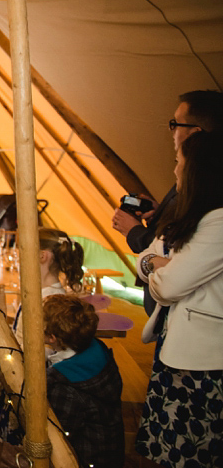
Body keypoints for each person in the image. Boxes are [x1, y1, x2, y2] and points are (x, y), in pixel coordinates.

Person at [135, 131, 223, 467]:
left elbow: (168, 288)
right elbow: (147, 261)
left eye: (179, 163)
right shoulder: (191, 220)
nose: (175, 171)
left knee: (190, 453)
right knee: (170, 450)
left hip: (202, 365)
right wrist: (157, 264)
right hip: (176, 355)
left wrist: (159, 267)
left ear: (200, 171)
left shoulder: (219, 223)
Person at [113, 90, 223, 314]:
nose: (171, 131)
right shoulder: (188, 186)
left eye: (176, 124)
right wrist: (159, 214)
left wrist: (134, 232)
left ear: (195, 134)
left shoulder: (214, 212)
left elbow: (170, 281)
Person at [0, 227, 85, 445]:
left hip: (34, 386)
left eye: (22, 251)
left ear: (42, 256)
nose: (18, 257)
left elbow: (40, 355)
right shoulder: (41, 293)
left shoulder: (49, 302)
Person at [42, 294, 124, 468]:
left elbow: (57, 435)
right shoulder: (97, 351)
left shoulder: (65, 386)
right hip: (111, 454)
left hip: (83, 459)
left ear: (52, 338)